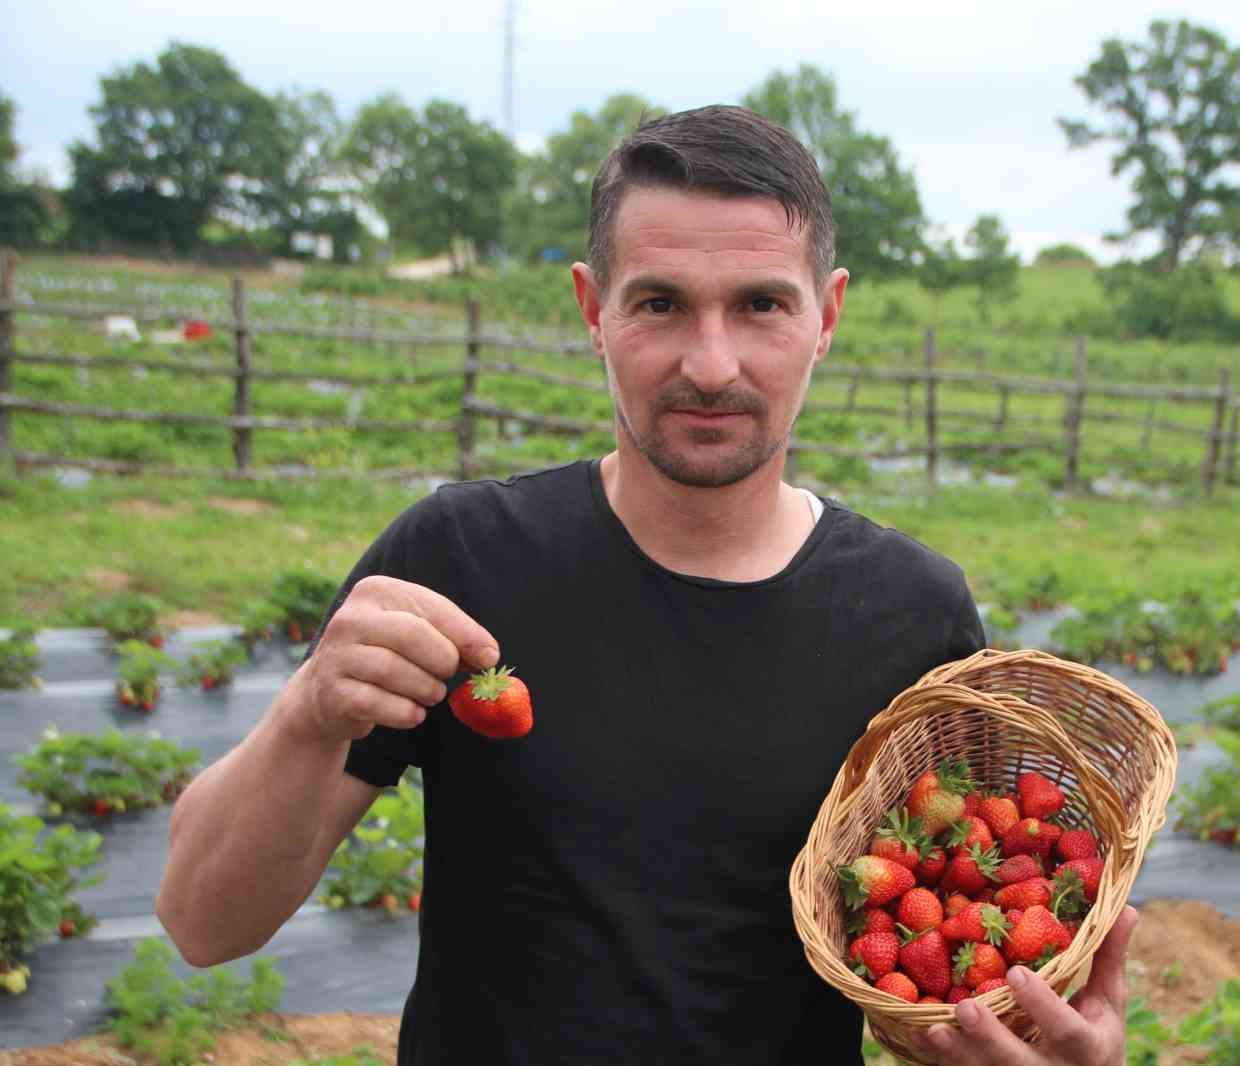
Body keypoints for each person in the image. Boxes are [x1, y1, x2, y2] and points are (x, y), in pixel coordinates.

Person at [156, 104, 1137, 1065]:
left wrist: (1030, 1042)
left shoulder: (912, 612)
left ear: (826, 315)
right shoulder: (459, 560)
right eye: (660, 303)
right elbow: (203, 922)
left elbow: (952, 952)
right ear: (592, 309)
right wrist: (308, 713)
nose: (712, 365)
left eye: (761, 304)